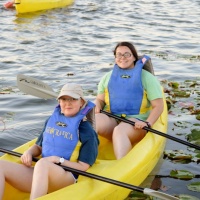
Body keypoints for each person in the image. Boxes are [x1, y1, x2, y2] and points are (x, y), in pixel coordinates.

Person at [0, 83, 99, 200]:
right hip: (42, 172)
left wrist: (58, 160)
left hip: (67, 177)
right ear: (59, 102)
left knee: (42, 164)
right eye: (63, 99)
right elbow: (38, 147)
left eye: (73, 99)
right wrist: (29, 153)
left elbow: (83, 167)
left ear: (81, 102)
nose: (68, 103)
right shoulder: (51, 121)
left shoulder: (86, 130)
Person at [94, 41, 164, 160]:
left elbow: (158, 106)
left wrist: (148, 123)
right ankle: (82, 160)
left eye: (127, 54)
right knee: (92, 121)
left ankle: (122, 165)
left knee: (119, 131)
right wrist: (97, 105)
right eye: (119, 55)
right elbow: (100, 99)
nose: (122, 58)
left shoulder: (147, 78)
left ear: (134, 57)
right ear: (115, 57)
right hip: (112, 119)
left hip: (136, 124)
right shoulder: (107, 77)